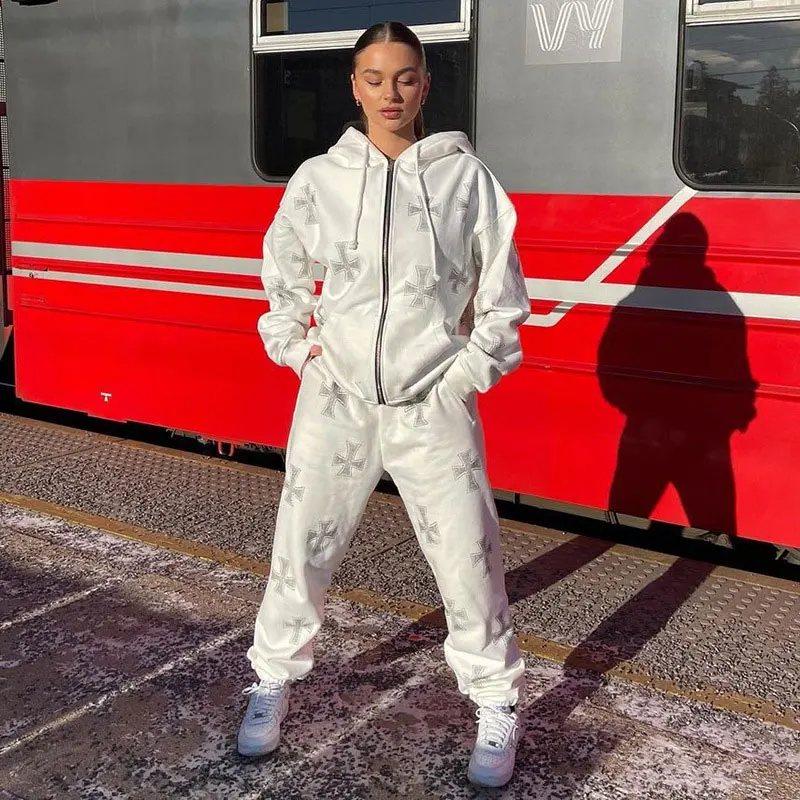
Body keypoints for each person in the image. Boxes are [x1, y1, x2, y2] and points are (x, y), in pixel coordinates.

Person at [238, 21, 530, 789]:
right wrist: (299, 350)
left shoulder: (467, 181)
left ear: (425, 85)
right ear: (354, 86)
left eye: (405, 77)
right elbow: (281, 273)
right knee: (300, 547)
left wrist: (464, 376)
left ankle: (496, 701)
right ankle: (271, 679)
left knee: (468, 556)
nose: (390, 93)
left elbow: (503, 296)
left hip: (433, 402)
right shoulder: (320, 179)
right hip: (335, 399)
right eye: (374, 78)